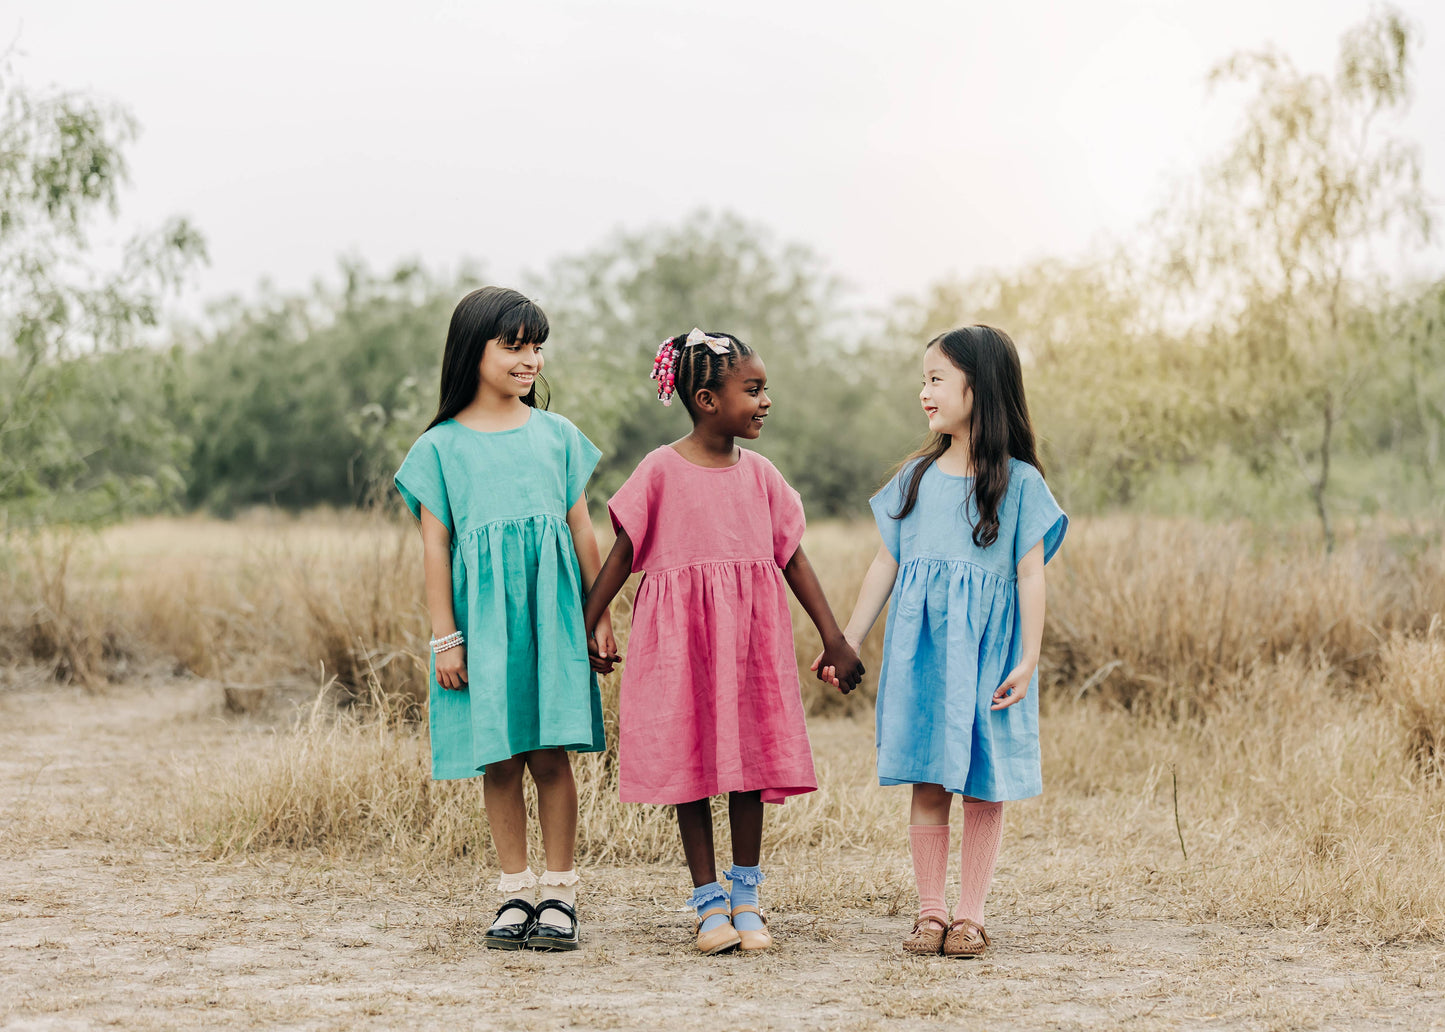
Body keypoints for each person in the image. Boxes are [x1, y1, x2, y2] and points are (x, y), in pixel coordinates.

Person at [582, 328, 863, 954]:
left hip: (748, 647)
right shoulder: (658, 469)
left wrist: (835, 638)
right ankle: (708, 903)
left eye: (765, 390)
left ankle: (747, 896)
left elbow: (792, 557)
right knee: (690, 764)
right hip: (681, 647)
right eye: (753, 390)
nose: (766, 401)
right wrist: (585, 623)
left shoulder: (762, 476)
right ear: (707, 399)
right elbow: (625, 554)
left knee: (746, 767)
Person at [818, 325, 1067, 958]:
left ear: (978, 388)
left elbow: (1030, 575)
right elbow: (886, 564)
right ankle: (930, 914)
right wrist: (846, 639)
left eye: (936, 378)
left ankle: (970, 916)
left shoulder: (1020, 484)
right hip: (926, 655)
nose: (923, 391)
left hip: (989, 655)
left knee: (985, 782)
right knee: (929, 780)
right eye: (923, 378)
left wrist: (1030, 656)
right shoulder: (917, 478)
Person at [394, 286, 617, 952]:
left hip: (554, 618)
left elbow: (582, 529)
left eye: (536, 346)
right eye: (514, 345)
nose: (530, 359)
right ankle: (514, 890)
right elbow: (436, 545)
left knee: (550, 756)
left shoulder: (557, 437)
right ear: (474, 350)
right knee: (498, 759)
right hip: (483, 626)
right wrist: (446, 638)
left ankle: (559, 893)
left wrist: (597, 614)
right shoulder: (440, 448)